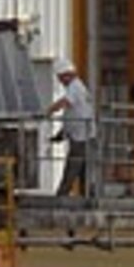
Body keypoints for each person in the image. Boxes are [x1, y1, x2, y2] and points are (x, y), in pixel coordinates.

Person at [51, 61, 96, 200]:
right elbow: (72, 114)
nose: (60, 81)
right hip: (82, 135)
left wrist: (47, 111)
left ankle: (62, 195)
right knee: (83, 168)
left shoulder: (75, 86)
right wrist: (61, 134)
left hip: (82, 137)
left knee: (73, 166)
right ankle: (88, 195)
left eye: (60, 78)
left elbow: (65, 103)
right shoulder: (77, 87)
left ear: (66, 75)